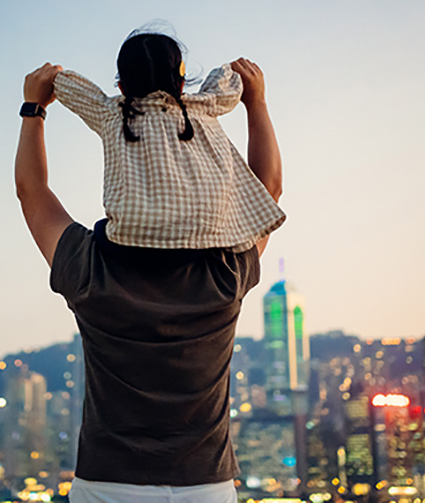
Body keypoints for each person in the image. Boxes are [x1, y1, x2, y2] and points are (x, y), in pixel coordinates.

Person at [15, 34, 284, 503]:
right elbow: (268, 191)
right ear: (183, 82)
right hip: (206, 487)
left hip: (105, 484)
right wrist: (256, 105)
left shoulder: (90, 267)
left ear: (120, 85)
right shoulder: (224, 272)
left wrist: (33, 110)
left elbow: (32, 192)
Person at [51, 29, 285, 251]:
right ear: (182, 84)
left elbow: (74, 90)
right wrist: (254, 97)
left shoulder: (111, 113)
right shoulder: (203, 106)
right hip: (211, 246)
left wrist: (53, 79)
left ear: (122, 87)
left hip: (126, 248)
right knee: (265, 196)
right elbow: (227, 87)